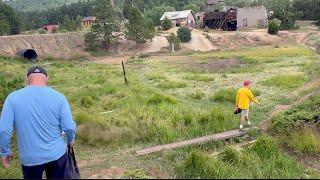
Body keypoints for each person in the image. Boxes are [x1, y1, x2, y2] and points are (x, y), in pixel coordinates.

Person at [0, 66, 76, 179]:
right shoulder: (59, 97)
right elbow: (69, 127)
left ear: (27, 79)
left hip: (30, 158)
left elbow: (4, 130)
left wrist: (5, 152)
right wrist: (70, 140)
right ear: (47, 78)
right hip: (56, 154)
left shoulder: (12, 98)